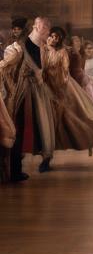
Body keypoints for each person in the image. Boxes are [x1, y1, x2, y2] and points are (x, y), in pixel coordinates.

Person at [1, 16, 58, 175]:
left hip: (30, 91)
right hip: (19, 92)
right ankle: (14, 169)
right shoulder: (18, 48)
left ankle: (20, 167)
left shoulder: (38, 47)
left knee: (33, 125)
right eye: (41, 27)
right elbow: (8, 69)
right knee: (17, 127)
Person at [45, 26, 93, 155]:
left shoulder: (62, 52)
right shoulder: (43, 50)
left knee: (72, 115)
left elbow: (65, 70)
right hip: (45, 85)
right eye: (51, 36)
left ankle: (85, 137)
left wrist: (60, 86)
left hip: (60, 85)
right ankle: (46, 148)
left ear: (60, 40)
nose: (53, 39)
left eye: (56, 37)